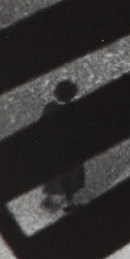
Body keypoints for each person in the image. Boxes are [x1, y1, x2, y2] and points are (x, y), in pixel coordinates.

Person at [39, 79, 85, 214]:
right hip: (69, 149)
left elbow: (41, 126)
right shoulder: (74, 108)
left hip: (55, 148)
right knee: (69, 179)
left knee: (55, 177)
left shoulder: (50, 107)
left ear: (56, 93)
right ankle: (68, 204)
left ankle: (49, 202)